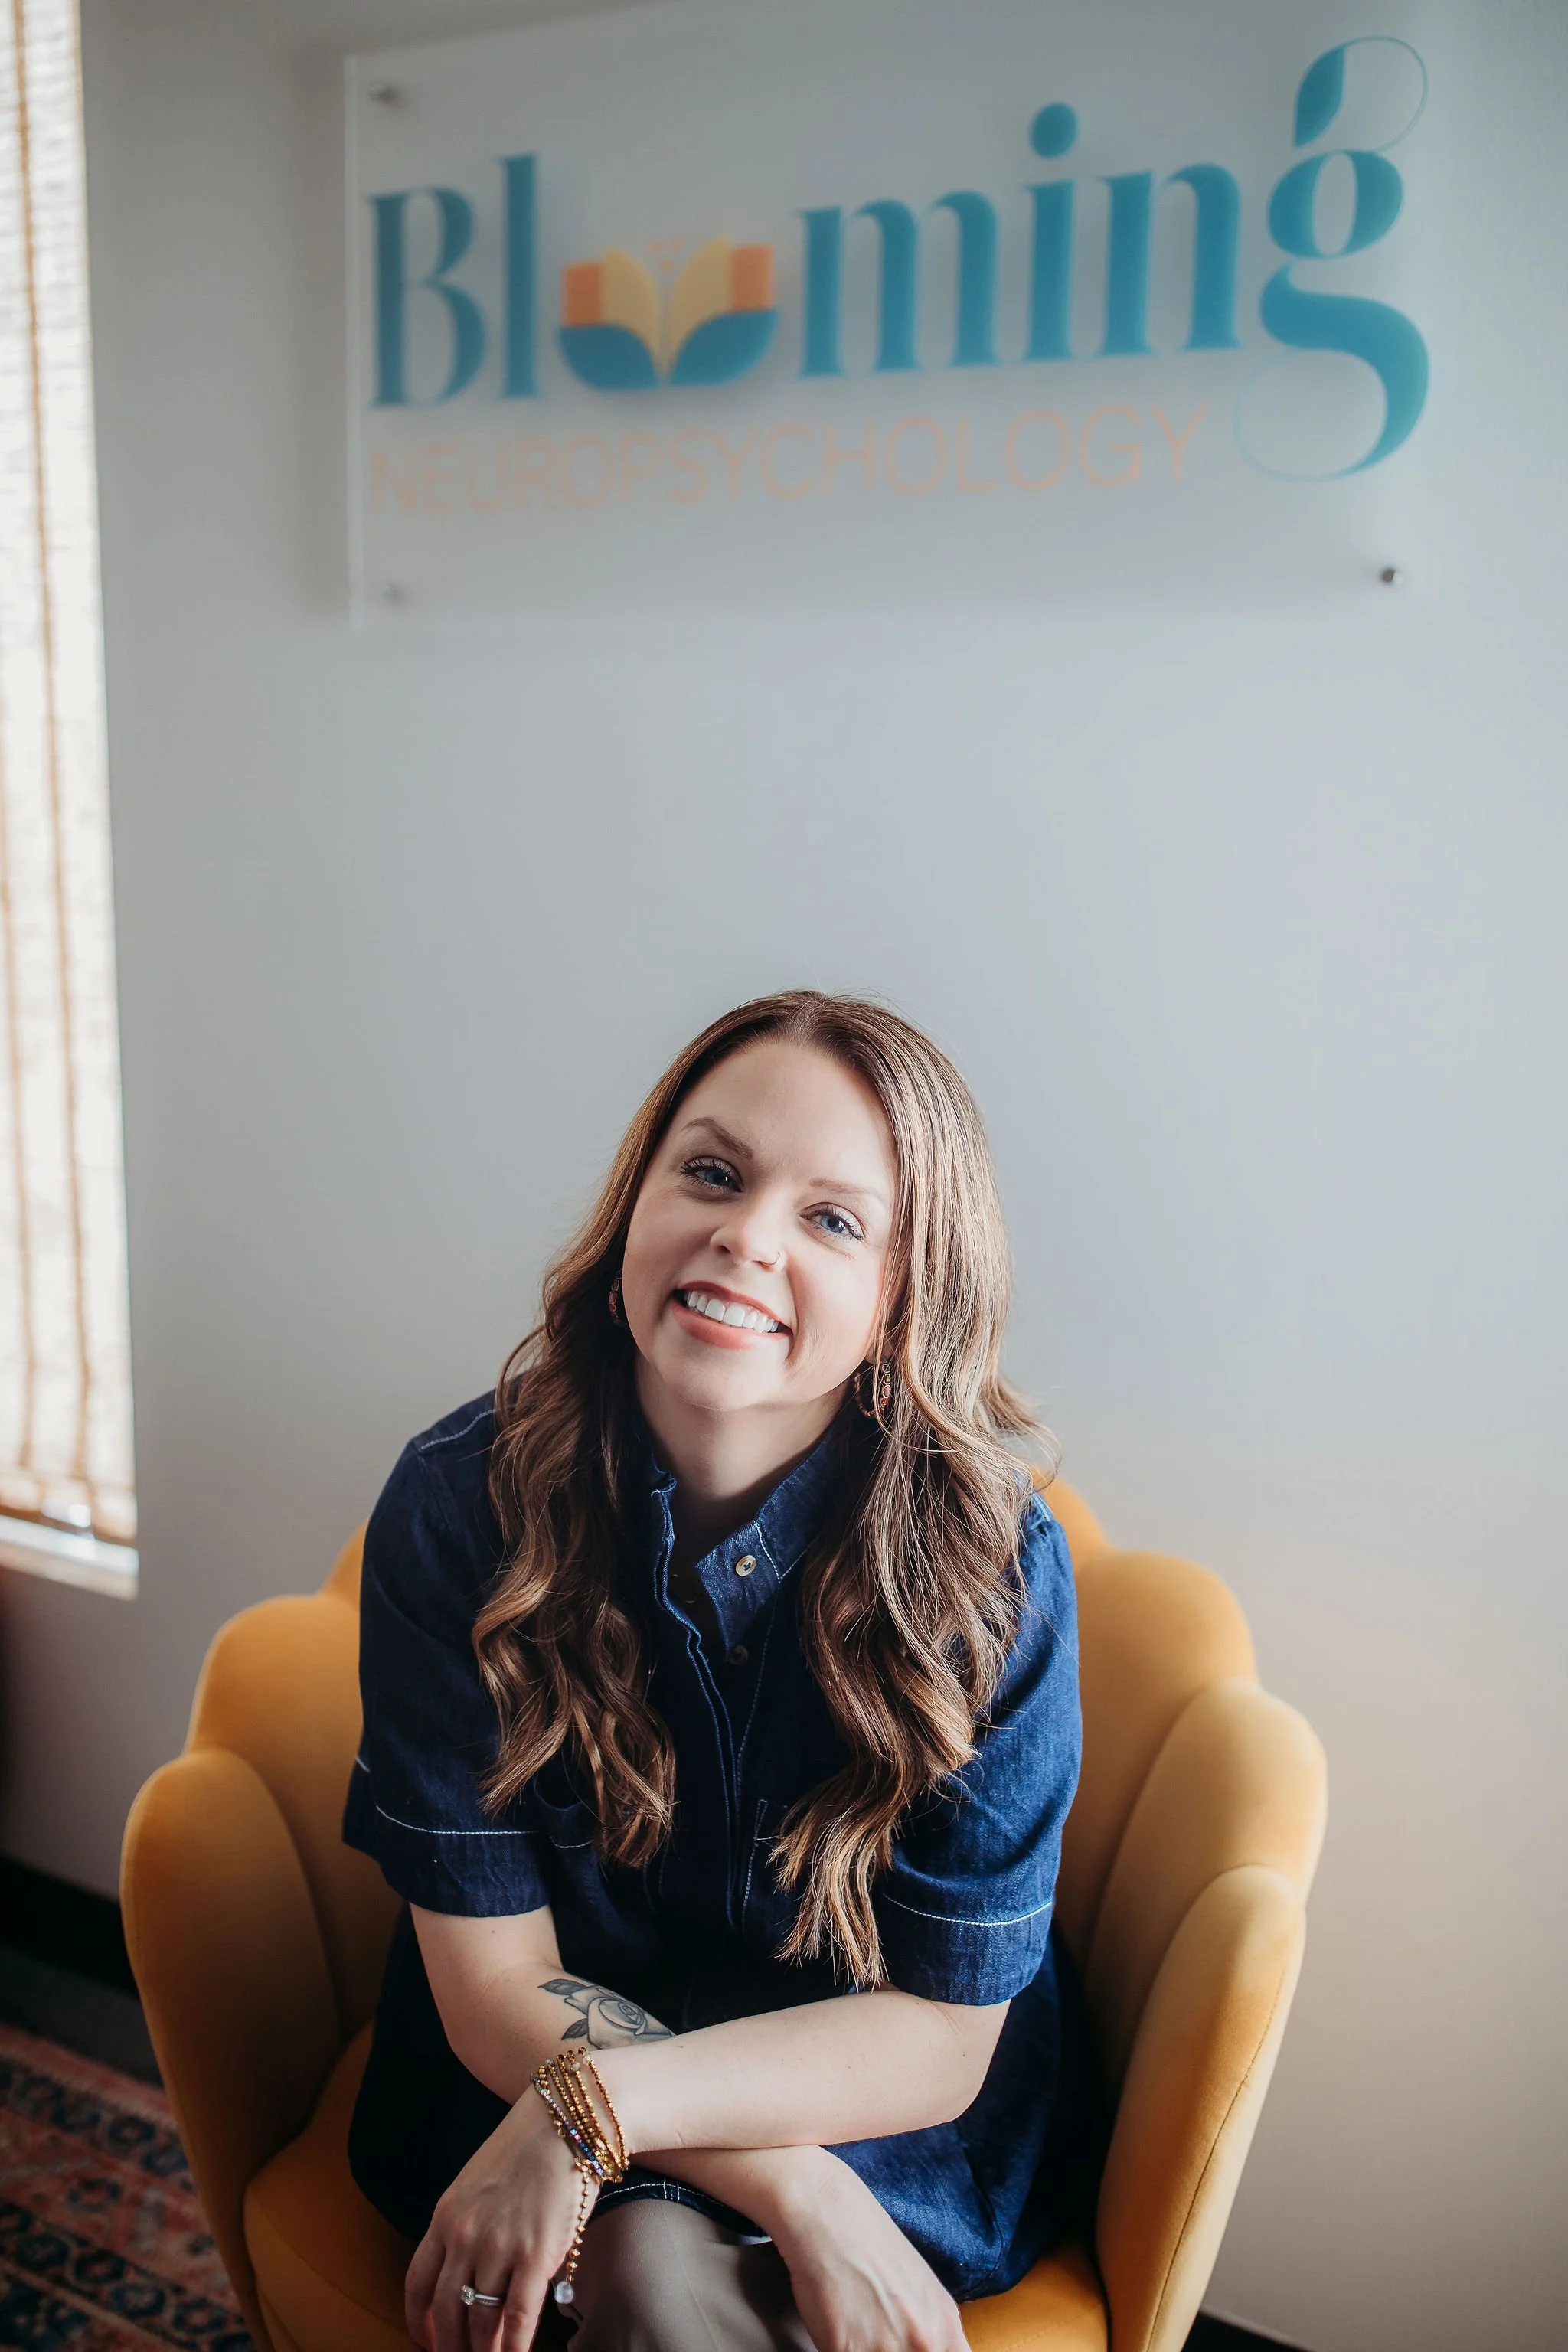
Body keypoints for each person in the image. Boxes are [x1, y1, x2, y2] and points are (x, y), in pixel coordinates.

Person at [343, 990, 1103, 2352]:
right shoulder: (460, 1505)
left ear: (903, 1292)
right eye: (711, 1172)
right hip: (521, 2065)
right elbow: (487, 1984)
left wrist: (617, 2121)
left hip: (870, 2101)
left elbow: (939, 2036)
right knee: (646, 2275)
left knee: (652, 2282)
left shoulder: (992, 1574)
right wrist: (787, 2194)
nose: (744, 1236)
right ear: (638, 1197)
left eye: (833, 1219)